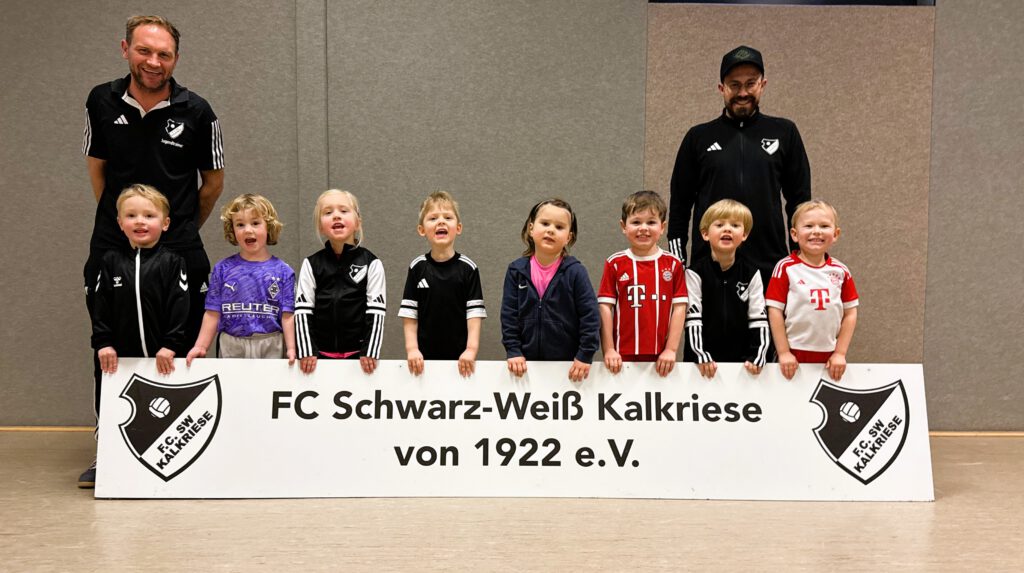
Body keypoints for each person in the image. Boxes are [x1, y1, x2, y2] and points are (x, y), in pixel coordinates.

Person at [80, 15, 224, 484]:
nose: (154, 62)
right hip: (114, 240)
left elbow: (212, 183)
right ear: (126, 49)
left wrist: (178, 228)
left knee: (185, 342)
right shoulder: (101, 100)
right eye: (144, 50)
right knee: (109, 342)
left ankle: (190, 448)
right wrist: (122, 223)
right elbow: (98, 169)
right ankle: (111, 448)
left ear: (176, 58)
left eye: (164, 54)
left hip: (179, 241)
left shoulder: (198, 111)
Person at [668, 45, 810, 285]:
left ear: (762, 85)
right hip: (710, 268)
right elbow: (680, 205)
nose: (743, 92)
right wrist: (678, 262)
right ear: (721, 88)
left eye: (750, 84)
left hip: (769, 266)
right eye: (734, 85)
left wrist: (800, 259)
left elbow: (800, 202)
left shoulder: (785, 132)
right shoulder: (698, 137)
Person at [82, 184, 189, 487]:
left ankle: (168, 460)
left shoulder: (173, 263)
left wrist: (171, 345)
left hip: (161, 356)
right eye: (131, 215)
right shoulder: (110, 261)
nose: (140, 221)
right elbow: (100, 307)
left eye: (149, 215)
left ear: (165, 223)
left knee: (161, 408)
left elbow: (180, 307)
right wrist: (103, 343)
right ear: (119, 223)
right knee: (112, 403)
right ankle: (105, 456)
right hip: (117, 357)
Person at [186, 194, 296, 366]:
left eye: (255, 223)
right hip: (231, 343)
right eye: (240, 224)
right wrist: (201, 346)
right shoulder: (222, 269)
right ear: (232, 230)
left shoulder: (283, 271)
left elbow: (287, 316)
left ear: (269, 226)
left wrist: (292, 348)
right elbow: (213, 313)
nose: (248, 230)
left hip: (271, 342)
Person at [500, 199, 600, 383]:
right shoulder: (516, 271)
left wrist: (585, 355)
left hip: (569, 365)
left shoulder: (576, 272)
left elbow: (590, 316)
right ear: (531, 228)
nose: (551, 230)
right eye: (545, 223)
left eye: (559, 227)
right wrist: (513, 350)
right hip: (525, 364)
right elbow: (509, 315)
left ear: (568, 237)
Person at [294, 190, 386, 375]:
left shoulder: (371, 263)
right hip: (317, 358)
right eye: (328, 212)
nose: (336, 216)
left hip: (359, 358)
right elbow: (303, 310)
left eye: (344, 211)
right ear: (320, 226)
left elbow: (376, 312)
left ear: (358, 222)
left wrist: (369, 350)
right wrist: (307, 350)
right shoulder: (311, 264)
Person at [766, 200, 858, 382]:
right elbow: (774, 311)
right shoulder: (785, 268)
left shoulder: (841, 271)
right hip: (793, 354)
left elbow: (850, 313)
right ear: (794, 234)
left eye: (824, 226)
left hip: (829, 356)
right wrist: (783, 352)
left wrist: (840, 353)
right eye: (808, 226)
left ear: (835, 234)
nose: (816, 231)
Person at [597, 191, 687, 378]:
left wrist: (671, 349)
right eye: (636, 222)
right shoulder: (615, 263)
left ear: (662, 227)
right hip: (621, 356)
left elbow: (679, 307)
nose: (643, 228)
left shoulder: (673, 264)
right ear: (623, 226)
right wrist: (609, 349)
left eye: (651, 222)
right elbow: (605, 306)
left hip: (661, 358)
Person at [399, 191, 487, 377]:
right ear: (422, 230)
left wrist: (471, 350)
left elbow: (474, 314)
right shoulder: (417, 267)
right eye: (433, 218)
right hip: (424, 360)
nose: (441, 222)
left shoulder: (468, 268)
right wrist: (412, 349)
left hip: (461, 360)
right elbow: (409, 314)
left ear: (458, 228)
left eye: (448, 217)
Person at [683, 199, 770, 378]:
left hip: (743, 366)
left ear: (744, 235)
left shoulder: (752, 273)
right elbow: (693, 321)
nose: (727, 229)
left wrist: (758, 355)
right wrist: (700, 355)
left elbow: (759, 320)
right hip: (701, 365)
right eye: (720, 224)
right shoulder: (694, 273)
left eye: (735, 225)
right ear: (705, 234)